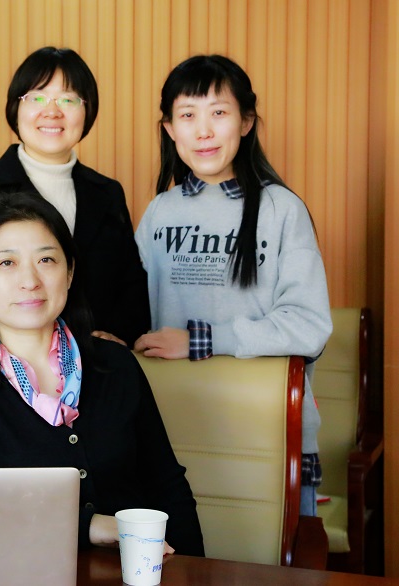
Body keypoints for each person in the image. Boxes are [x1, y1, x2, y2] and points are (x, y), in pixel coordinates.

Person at [0, 192, 205, 555]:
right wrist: (86, 526)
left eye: (46, 260)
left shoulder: (115, 364)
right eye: (7, 263)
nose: (30, 280)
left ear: (69, 272)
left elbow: (167, 484)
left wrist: (192, 571)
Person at [133, 54, 332, 517]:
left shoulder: (282, 209)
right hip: (173, 428)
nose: (203, 131)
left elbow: (308, 327)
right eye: (188, 115)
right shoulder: (159, 212)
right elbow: (133, 315)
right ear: (170, 129)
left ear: (245, 122)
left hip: (266, 432)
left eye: (218, 112)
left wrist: (200, 341)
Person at [0, 46, 149, 347]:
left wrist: (116, 339)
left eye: (68, 99)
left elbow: (132, 290)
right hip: (3, 364)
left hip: (96, 362)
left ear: (87, 111)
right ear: (15, 108)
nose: (52, 111)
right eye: (36, 98)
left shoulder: (108, 193)